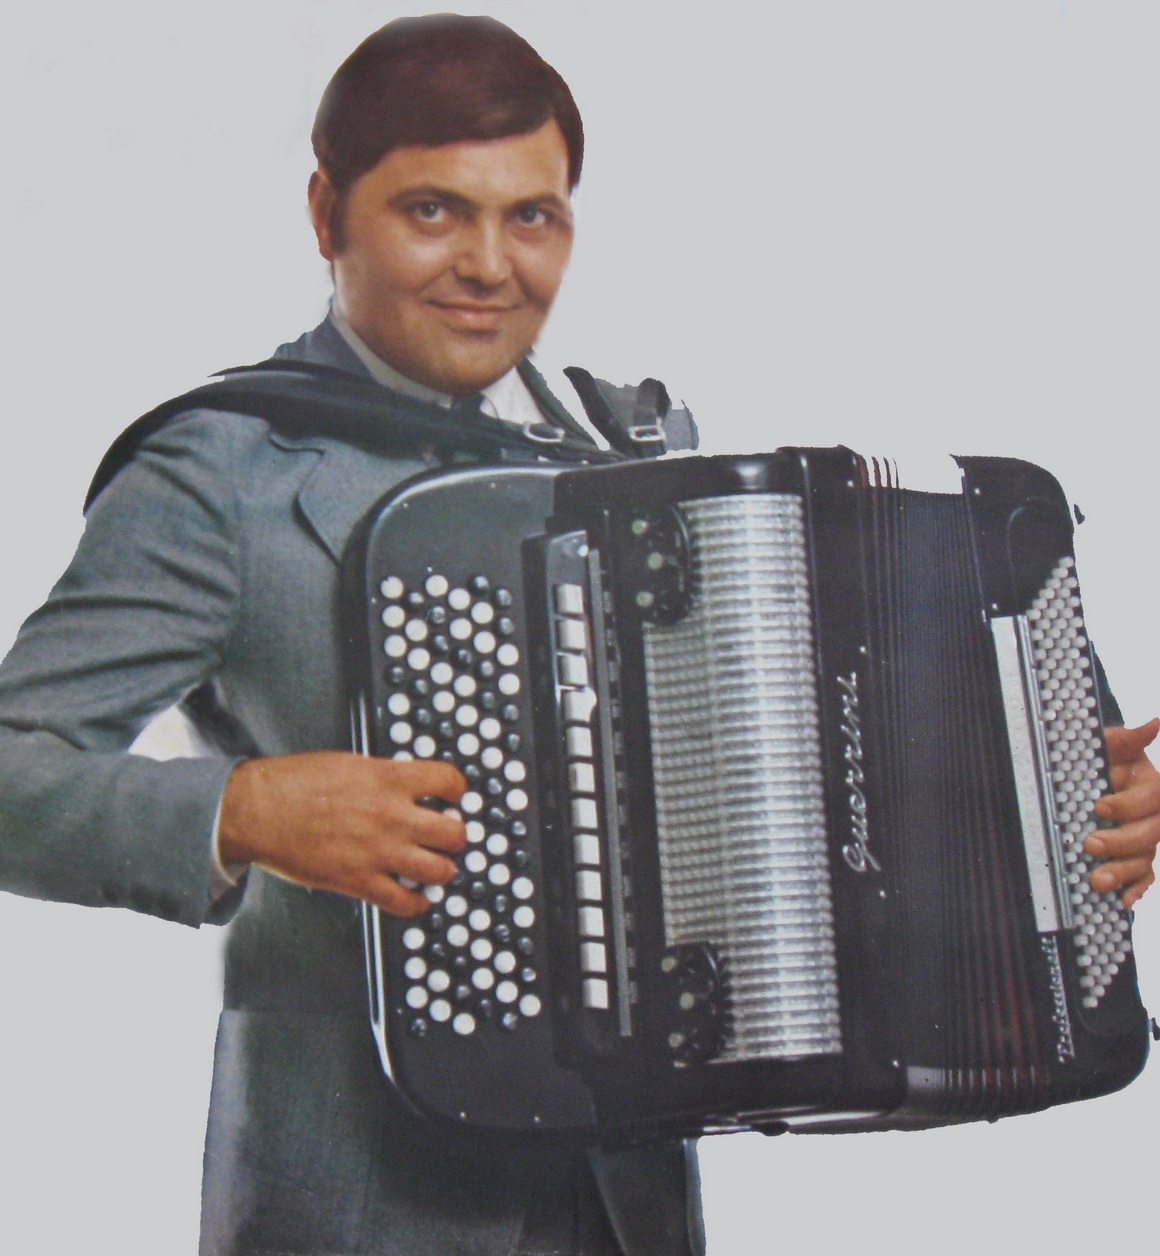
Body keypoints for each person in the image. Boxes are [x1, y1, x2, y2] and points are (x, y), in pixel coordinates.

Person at [0, 12, 1157, 1256]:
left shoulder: (635, 452)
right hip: (357, 1202)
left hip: (626, 1204)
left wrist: (1053, 802)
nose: (488, 265)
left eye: (532, 217)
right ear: (328, 214)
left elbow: (806, 761)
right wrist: (241, 811)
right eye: (433, 211)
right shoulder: (220, 475)